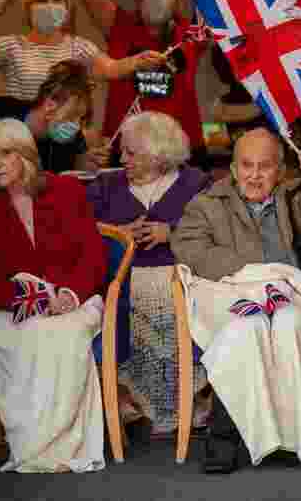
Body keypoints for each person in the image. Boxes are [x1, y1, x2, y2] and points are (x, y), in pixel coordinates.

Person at [170, 128, 301, 473]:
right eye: (246, 166)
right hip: (233, 295)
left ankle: (294, 437)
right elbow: (188, 248)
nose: (254, 175)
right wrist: (253, 276)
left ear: (279, 170)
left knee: (288, 322)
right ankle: (224, 435)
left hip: (289, 297)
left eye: (264, 167)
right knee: (247, 325)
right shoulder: (207, 203)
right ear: (233, 169)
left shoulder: (298, 197)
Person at [0, 118, 108, 473]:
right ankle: (36, 447)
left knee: (62, 335)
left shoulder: (66, 191)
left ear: (26, 156)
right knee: (33, 334)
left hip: (72, 300)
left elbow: (92, 256)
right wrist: (32, 301)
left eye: (6, 153)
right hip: (10, 305)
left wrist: (68, 295)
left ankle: (63, 446)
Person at [85, 112, 212, 437]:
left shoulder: (196, 183)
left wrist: (172, 232)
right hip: (124, 277)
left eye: (131, 153)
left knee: (180, 301)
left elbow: (216, 232)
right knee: (127, 302)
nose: (122, 159)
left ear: (158, 154)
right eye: (122, 152)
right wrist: (119, 234)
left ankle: (192, 398)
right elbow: (83, 235)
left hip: (182, 275)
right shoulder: (105, 186)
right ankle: (132, 402)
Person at [63, 0, 209, 164]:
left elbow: (239, 20)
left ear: (176, 2)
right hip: (125, 147)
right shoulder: (120, 24)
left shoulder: (190, 34)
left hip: (181, 150)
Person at [0, 0, 165, 101]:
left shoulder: (78, 47)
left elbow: (111, 68)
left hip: (64, 142)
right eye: (41, 0)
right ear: (28, 9)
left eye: (56, 0)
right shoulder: (12, 47)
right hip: (23, 142)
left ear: (66, 8)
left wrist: (138, 61)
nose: (49, 5)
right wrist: (1, 3)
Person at [0, 60, 110, 176]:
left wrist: (82, 165)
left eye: (81, 119)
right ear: (50, 106)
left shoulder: (74, 139)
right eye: (72, 116)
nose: (77, 126)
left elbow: (73, 177)